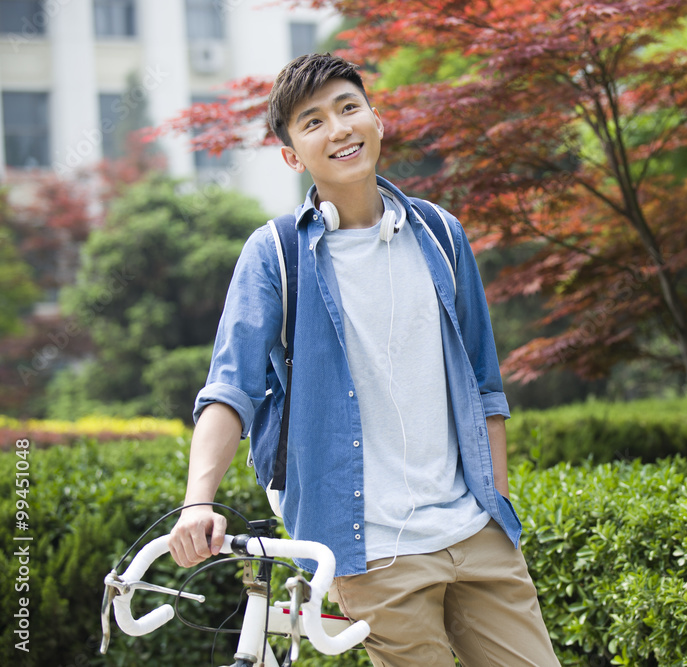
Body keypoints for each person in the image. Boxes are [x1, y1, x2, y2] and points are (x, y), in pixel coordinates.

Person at [167, 53, 560, 666]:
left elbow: (485, 387)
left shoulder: (441, 235)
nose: (340, 128)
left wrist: (496, 514)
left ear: (377, 120)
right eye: (313, 121)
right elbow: (230, 390)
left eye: (350, 108)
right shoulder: (275, 254)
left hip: (476, 537)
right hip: (369, 550)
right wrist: (198, 501)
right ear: (292, 155)